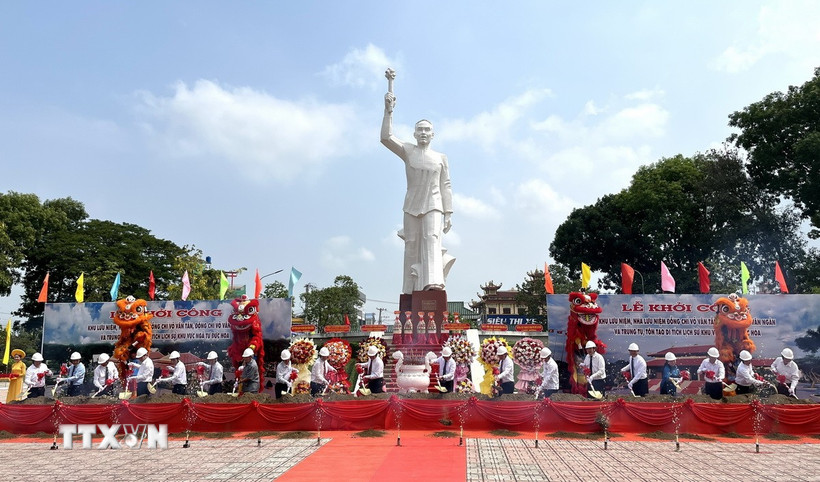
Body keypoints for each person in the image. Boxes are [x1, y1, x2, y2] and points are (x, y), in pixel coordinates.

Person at [381, 71, 454, 294]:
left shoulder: (440, 157)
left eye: (427, 130)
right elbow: (385, 138)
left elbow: (446, 185)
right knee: (411, 245)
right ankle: (409, 287)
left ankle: (433, 283)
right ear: (414, 134)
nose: (423, 133)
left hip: (434, 205)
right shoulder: (408, 151)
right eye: (420, 129)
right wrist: (388, 111)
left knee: (431, 239)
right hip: (411, 205)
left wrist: (448, 212)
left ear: (433, 134)